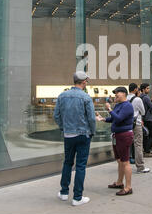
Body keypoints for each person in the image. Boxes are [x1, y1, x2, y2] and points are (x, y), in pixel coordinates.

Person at [54, 71, 96, 206]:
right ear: (83, 82)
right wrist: (92, 131)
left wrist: (63, 127)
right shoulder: (86, 97)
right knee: (80, 166)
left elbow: (56, 116)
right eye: (86, 81)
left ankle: (64, 192)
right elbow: (91, 118)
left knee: (67, 163)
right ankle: (77, 197)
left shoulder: (62, 96)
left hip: (68, 135)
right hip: (83, 135)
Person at [97, 87, 134, 196]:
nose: (115, 95)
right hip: (116, 136)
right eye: (115, 93)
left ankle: (128, 187)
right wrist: (103, 119)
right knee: (119, 160)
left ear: (124, 94)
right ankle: (119, 182)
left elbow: (118, 118)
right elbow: (113, 119)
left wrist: (109, 109)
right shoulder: (118, 105)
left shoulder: (127, 106)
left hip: (124, 136)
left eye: (117, 93)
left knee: (125, 162)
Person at [128, 83, 150, 174]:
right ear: (136, 90)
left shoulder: (125, 98)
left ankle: (126, 164)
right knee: (138, 144)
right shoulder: (138, 99)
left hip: (127, 124)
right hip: (136, 124)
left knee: (128, 144)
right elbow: (143, 112)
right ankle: (140, 167)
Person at [139, 83, 152, 157]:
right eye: (147, 88)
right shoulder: (146, 97)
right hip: (148, 119)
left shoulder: (139, 97)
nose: (149, 89)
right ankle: (147, 151)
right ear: (143, 89)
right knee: (151, 135)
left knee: (145, 135)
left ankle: (145, 150)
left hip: (143, 119)